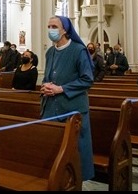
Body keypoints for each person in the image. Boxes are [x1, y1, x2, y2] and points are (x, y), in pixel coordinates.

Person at [40, 15, 95, 181]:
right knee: (52, 150)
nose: (51, 30)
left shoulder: (78, 50)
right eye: (49, 26)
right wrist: (46, 86)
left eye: (54, 26)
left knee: (75, 151)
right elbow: (48, 76)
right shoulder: (50, 52)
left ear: (64, 29)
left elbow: (87, 80)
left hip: (72, 109)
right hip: (51, 108)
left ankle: (75, 182)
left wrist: (61, 89)